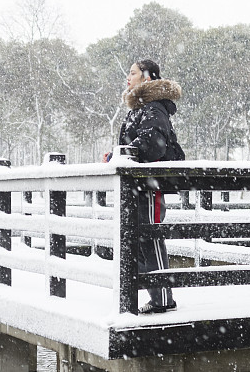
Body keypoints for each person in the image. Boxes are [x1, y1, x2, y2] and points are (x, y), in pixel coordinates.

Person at [103, 59, 184, 314]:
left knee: (150, 238)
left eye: (133, 73)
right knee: (138, 239)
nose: (129, 77)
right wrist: (116, 155)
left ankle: (162, 298)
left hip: (149, 186)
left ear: (147, 78)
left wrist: (125, 153)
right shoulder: (139, 109)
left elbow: (152, 143)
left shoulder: (153, 108)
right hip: (137, 185)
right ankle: (150, 293)